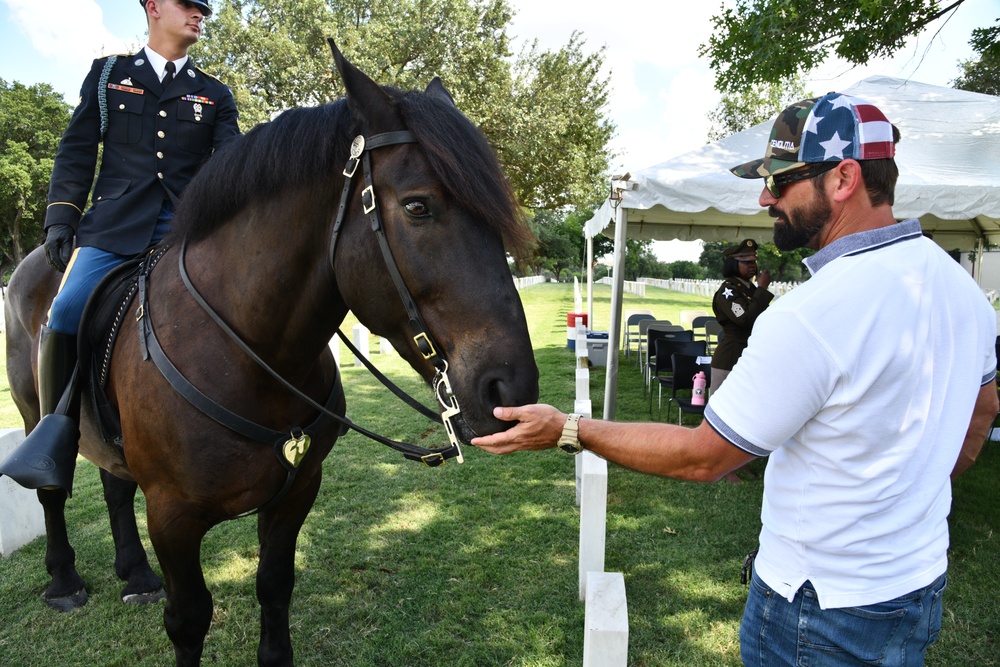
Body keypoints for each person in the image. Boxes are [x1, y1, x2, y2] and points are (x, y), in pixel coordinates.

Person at [473, 92, 999, 666]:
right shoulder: (960, 291)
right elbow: (982, 412)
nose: (765, 196)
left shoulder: (815, 311)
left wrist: (569, 428)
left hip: (818, 607)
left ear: (844, 177)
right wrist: (905, 487)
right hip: (915, 586)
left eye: (781, 180)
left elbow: (704, 458)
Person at [0, 0, 239, 493]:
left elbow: (232, 166)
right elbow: (77, 148)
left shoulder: (214, 93)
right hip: (113, 227)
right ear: (152, 7)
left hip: (185, 232)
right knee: (64, 311)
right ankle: (56, 436)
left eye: (203, 9)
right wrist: (61, 218)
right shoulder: (109, 76)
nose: (200, 14)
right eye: (188, 5)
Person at [710, 238, 773, 391]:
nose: (752, 266)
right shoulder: (729, 292)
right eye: (746, 262)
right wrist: (762, 290)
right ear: (733, 264)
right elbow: (744, 318)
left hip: (750, 355)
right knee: (721, 407)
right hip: (730, 357)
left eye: (753, 262)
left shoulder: (750, 289)